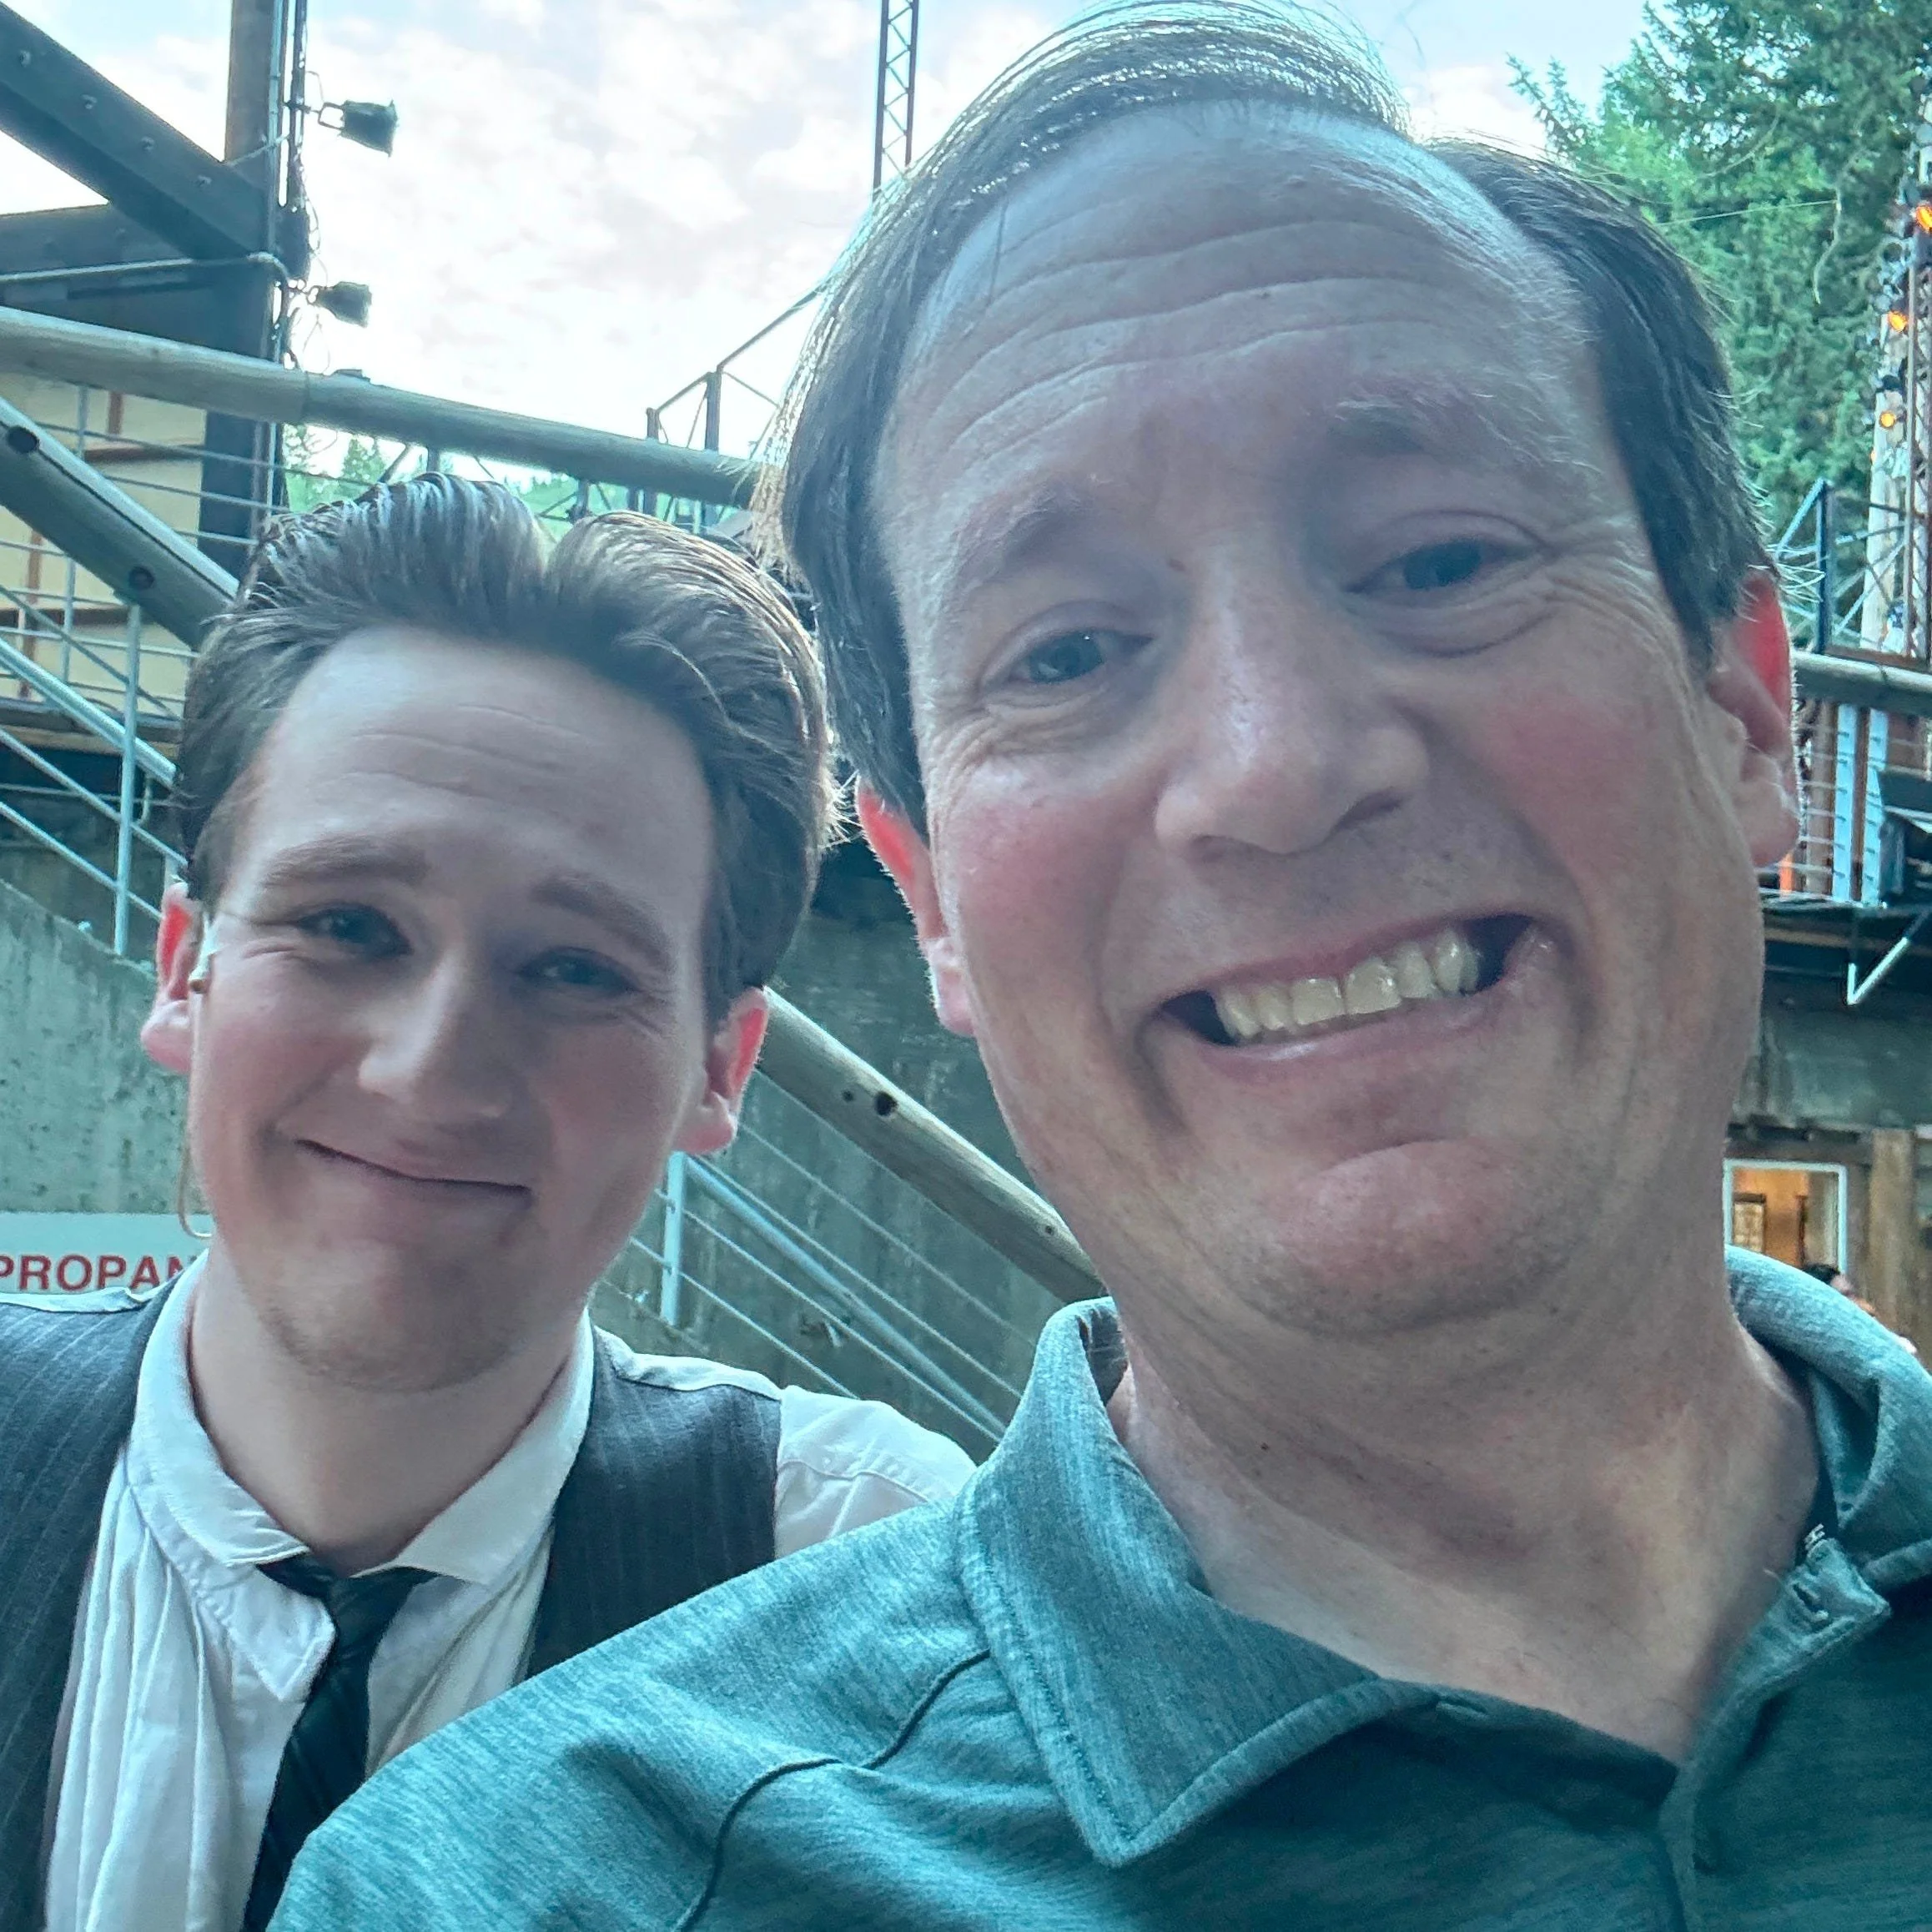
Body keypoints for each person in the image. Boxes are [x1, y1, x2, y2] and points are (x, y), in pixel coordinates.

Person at [277, 8, 1932, 1927]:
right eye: (1062, 655)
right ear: (932, 905)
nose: (1275, 769)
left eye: (1437, 559)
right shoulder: (547, 1893)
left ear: (1745, 712)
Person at [0, 477, 972, 1932]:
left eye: (575, 969)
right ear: (184, 971)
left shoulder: (870, 1585)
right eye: (347, 926)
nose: (431, 1073)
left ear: (721, 1066)